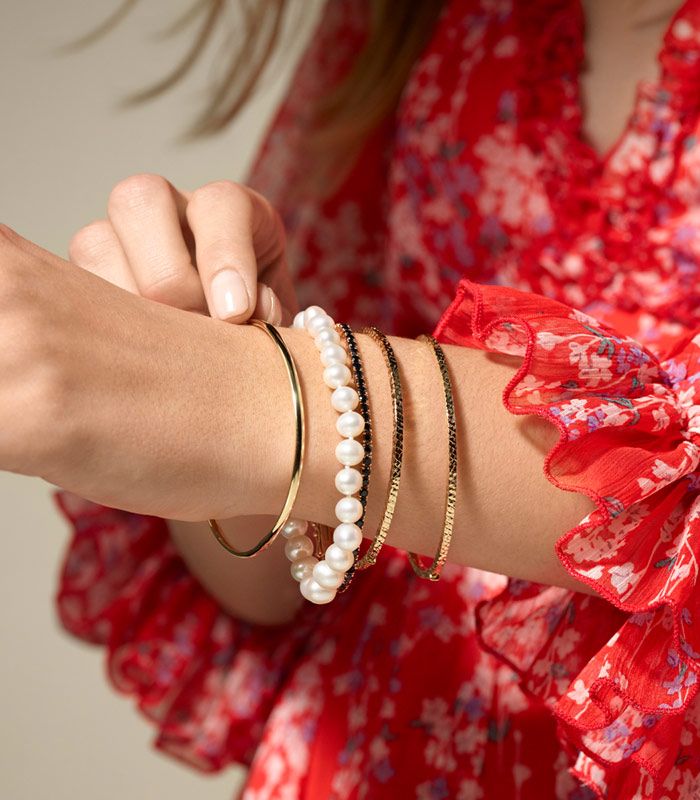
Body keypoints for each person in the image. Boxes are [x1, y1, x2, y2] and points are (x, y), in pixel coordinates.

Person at [14, 0, 695, 796]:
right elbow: (290, 575)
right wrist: (198, 359)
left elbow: (303, 419)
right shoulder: (423, 16)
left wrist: (247, 396)